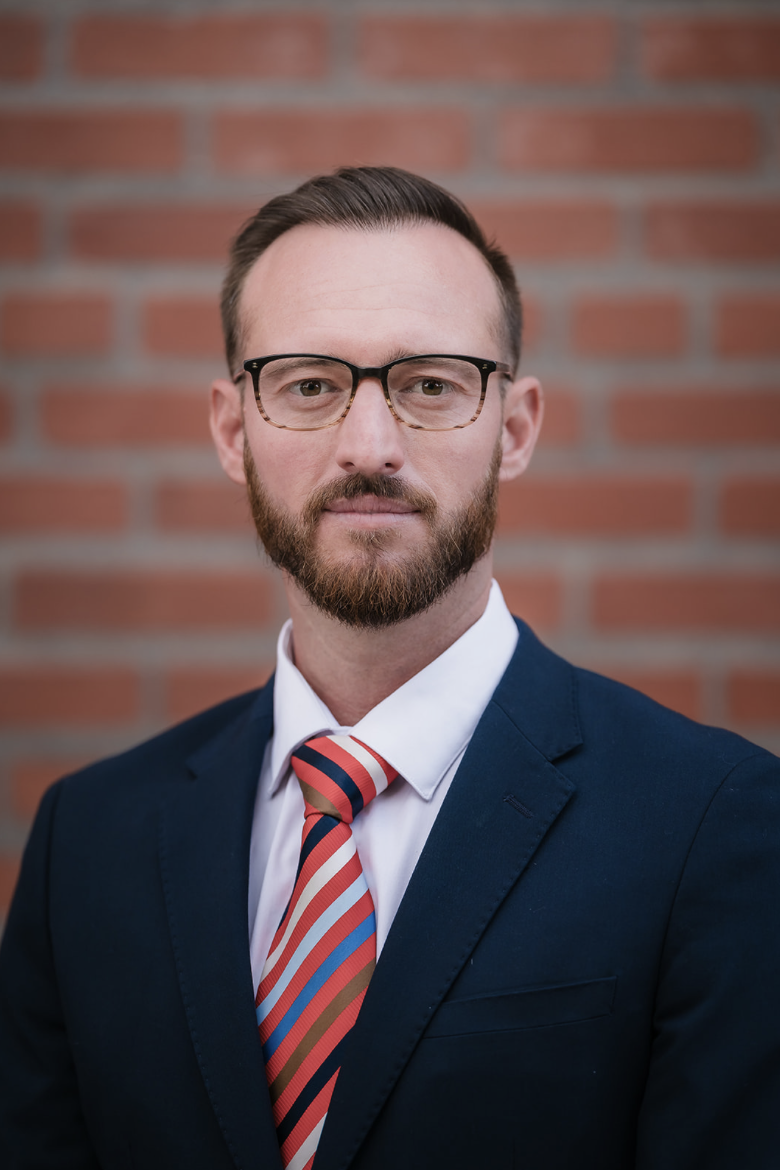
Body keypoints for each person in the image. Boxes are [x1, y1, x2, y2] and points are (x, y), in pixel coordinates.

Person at [0, 166, 778, 1170]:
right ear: (235, 432)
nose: (370, 446)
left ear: (517, 428)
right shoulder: (88, 842)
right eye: (311, 385)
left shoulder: (718, 826)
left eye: (430, 385)